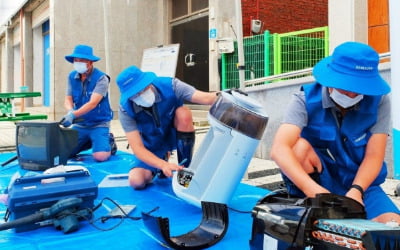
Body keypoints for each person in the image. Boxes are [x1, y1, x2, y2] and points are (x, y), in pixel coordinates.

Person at [270, 41, 400, 224]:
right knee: (298, 148)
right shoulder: (304, 99)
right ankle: (306, 207)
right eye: (346, 88)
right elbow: (279, 149)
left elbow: (374, 156)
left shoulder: (379, 101)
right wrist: (313, 190)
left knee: (391, 225)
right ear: (331, 79)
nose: (353, 95)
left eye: (359, 89)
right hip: (320, 182)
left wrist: (357, 190)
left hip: (361, 183)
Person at [116, 66, 217, 189]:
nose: (140, 95)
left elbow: (206, 98)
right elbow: (138, 148)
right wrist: (162, 164)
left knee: (183, 113)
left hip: (173, 134)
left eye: (142, 89)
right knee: (136, 181)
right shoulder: (125, 109)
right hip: (151, 145)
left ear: (148, 83)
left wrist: (230, 95)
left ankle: (185, 170)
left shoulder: (171, 85)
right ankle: (160, 162)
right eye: (134, 94)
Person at [61, 44, 116, 162]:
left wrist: (73, 115)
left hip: (99, 123)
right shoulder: (71, 76)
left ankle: (108, 141)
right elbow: (68, 98)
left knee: (100, 157)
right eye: (76, 60)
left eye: (82, 60)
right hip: (80, 124)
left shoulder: (102, 78)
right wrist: (70, 111)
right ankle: (89, 140)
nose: (78, 63)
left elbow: (93, 103)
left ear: (91, 62)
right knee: (63, 152)